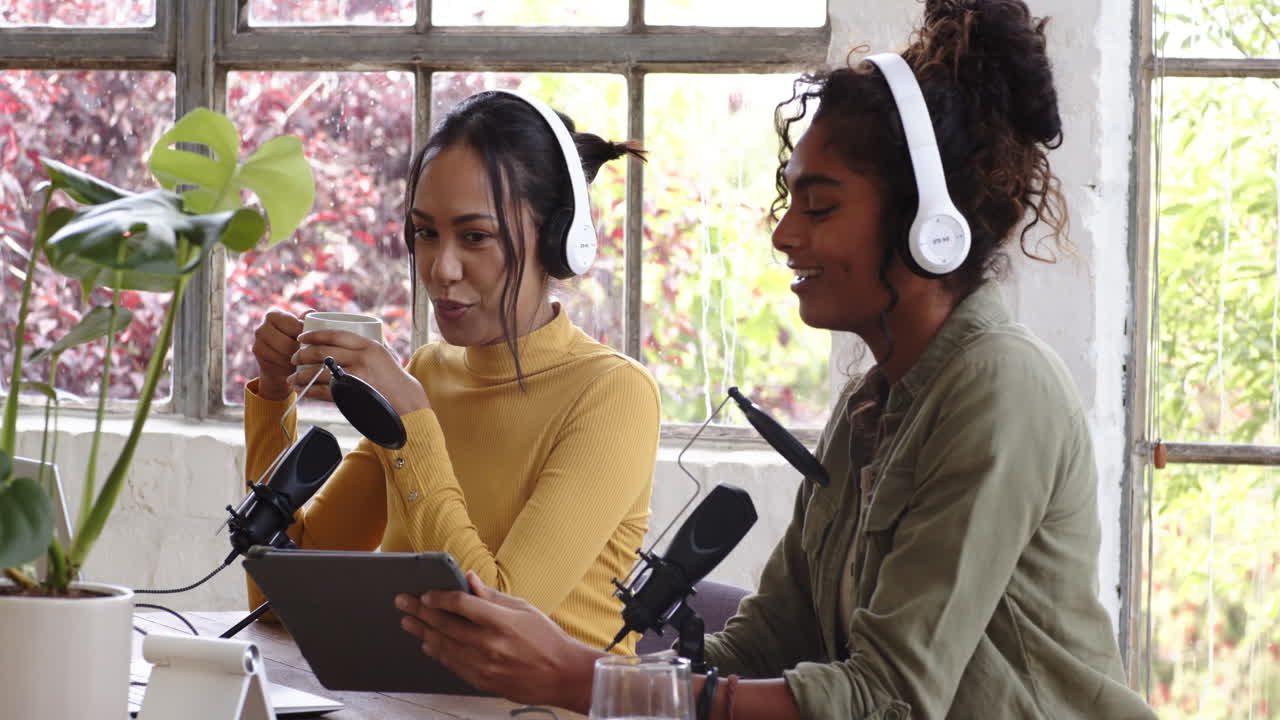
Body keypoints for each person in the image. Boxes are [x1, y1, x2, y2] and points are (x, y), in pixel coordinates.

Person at [393, 2, 1159, 718]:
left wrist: (579, 677)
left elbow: (887, 699)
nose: (784, 235)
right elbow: (761, 648)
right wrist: (612, 683)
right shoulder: (871, 408)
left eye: (819, 207)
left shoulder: (998, 387)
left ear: (929, 226)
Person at [243, 89, 661, 654]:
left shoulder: (614, 395)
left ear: (559, 241)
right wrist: (272, 396)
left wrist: (411, 421)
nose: (440, 269)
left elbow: (499, 624)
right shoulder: (429, 372)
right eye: (425, 232)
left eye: (475, 237)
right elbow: (278, 599)